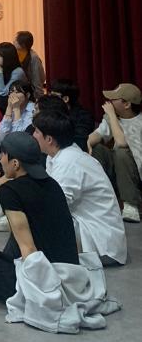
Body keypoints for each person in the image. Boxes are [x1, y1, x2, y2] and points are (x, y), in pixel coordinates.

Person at [0, 132, 79, 301]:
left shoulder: (11, 192)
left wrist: (43, 292)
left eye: (3, 156)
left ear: (15, 163)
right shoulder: (52, 184)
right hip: (70, 271)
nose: (1, 161)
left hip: (44, 277)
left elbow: (28, 248)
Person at [33, 107, 127, 265]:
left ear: (49, 139)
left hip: (102, 244)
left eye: (36, 132)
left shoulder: (69, 162)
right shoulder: (57, 156)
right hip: (85, 225)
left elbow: (56, 205)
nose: (33, 135)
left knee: (35, 219)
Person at [88, 83, 142, 223]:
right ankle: (100, 198)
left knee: (121, 152)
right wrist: (89, 142)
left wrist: (111, 115)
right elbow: (97, 134)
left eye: (114, 99)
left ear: (127, 104)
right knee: (98, 149)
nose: (109, 102)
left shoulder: (138, 121)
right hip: (120, 173)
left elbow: (122, 142)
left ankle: (131, 205)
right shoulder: (112, 119)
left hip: (137, 174)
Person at [0, 81, 36, 162]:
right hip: (11, 141)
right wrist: (9, 107)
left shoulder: (33, 109)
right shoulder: (13, 106)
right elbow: (3, 129)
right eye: (11, 92)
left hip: (26, 144)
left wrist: (16, 109)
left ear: (27, 95)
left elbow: (20, 135)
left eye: (17, 92)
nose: (13, 95)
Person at [48, 79, 95, 152]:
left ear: (65, 99)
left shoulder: (84, 117)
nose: (50, 100)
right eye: (50, 95)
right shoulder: (51, 112)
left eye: (54, 96)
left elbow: (79, 142)